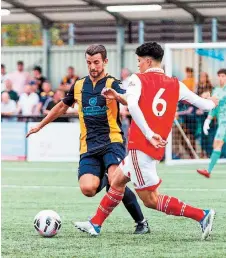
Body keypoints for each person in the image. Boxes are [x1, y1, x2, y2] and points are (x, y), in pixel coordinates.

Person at [74, 42, 218, 240]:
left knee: (151, 200)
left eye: (139, 61)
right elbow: (206, 105)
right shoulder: (176, 84)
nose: (138, 65)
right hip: (149, 149)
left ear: (148, 61)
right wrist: (212, 100)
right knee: (117, 182)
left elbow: (132, 105)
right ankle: (95, 224)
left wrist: (149, 134)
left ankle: (202, 215)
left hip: (141, 146)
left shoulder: (137, 79)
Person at [26, 44, 149, 234]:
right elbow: (61, 107)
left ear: (105, 62)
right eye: (89, 62)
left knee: (117, 183)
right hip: (88, 145)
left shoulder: (113, 83)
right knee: (88, 189)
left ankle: (141, 222)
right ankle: (108, 178)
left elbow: (129, 100)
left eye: (97, 62)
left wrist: (117, 96)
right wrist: (40, 125)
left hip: (112, 142)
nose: (93, 67)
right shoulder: (79, 85)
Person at [197, 68, 226, 178]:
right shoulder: (216, 90)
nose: (221, 78)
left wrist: (207, 97)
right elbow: (214, 107)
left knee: (217, 144)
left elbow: (219, 100)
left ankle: (208, 171)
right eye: (220, 76)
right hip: (222, 123)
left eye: (223, 76)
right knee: (217, 145)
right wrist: (208, 120)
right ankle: (208, 171)